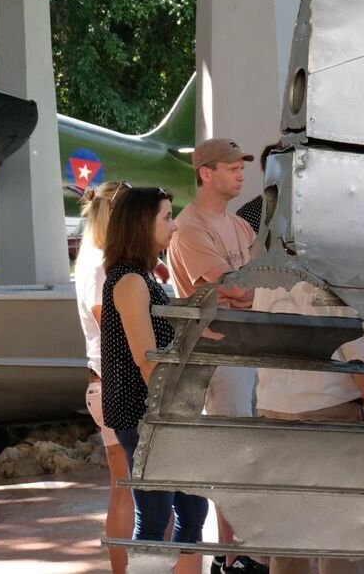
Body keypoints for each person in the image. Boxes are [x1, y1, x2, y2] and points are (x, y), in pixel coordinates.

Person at [166, 137, 266, 574]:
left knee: (250, 453)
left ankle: (242, 551)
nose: (241, 174)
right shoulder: (189, 226)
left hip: (249, 352)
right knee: (233, 455)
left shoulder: (240, 226)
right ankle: (233, 557)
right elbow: (238, 289)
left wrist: (250, 291)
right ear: (206, 173)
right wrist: (249, 291)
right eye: (231, 168)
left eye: (241, 167)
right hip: (220, 356)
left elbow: (256, 288)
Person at [100, 186, 207, 574]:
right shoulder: (130, 280)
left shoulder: (141, 275)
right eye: (166, 217)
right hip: (147, 416)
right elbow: (147, 361)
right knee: (157, 516)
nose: (174, 226)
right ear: (142, 224)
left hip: (156, 414)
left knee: (192, 509)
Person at [254, 280, 364, 574]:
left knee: (288, 539)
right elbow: (361, 354)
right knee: (344, 537)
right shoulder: (335, 265)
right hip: (329, 411)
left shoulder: (270, 262)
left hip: (273, 407)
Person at [75, 181, 134, 574]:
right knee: (127, 490)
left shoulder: (92, 257)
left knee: (124, 488)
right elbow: (112, 323)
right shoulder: (100, 264)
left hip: (105, 382)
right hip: (115, 383)